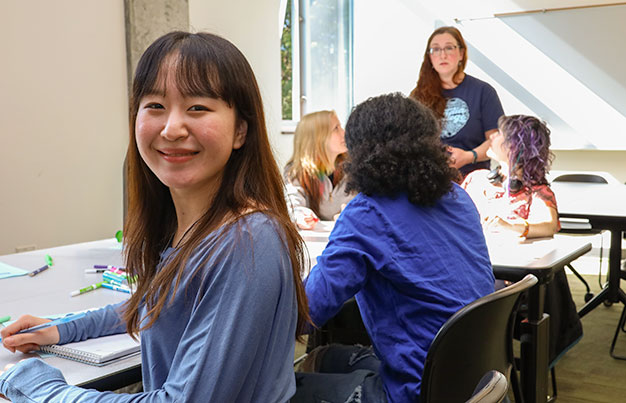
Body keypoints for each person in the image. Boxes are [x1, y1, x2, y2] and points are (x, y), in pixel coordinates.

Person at [0, 31, 309, 402]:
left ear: (240, 130)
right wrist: (62, 329)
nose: (172, 128)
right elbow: (160, 303)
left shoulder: (247, 241)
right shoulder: (191, 228)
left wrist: (39, 388)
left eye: (197, 107)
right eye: (156, 106)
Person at [293, 93, 495, 402]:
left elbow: (305, 314)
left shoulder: (368, 213)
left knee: (278, 389)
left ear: (362, 153)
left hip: (415, 392)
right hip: (472, 378)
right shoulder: (458, 197)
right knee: (323, 357)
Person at [462, 114, 582, 365]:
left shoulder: (535, 191)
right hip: (469, 267)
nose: (492, 136)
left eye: (500, 134)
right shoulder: (476, 180)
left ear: (515, 147)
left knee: (487, 296)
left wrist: (512, 226)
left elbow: (548, 224)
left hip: (505, 281)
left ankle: (484, 363)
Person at [409, 26, 504, 177]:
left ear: (461, 53)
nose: (443, 55)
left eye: (449, 48)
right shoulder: (417, 95)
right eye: (436, 49)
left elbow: (496, 141)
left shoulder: (483, 92)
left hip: (472, 179)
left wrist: (469, 156)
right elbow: (409, 142)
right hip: (428, 180)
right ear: (429, 57)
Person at [284, 110, 355, 230]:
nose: (344, 132)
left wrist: (353, 214)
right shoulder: (296, 172)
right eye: (336, 128)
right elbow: (293, 205)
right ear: (318, 138)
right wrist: (301, 215)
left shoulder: (354, 167)